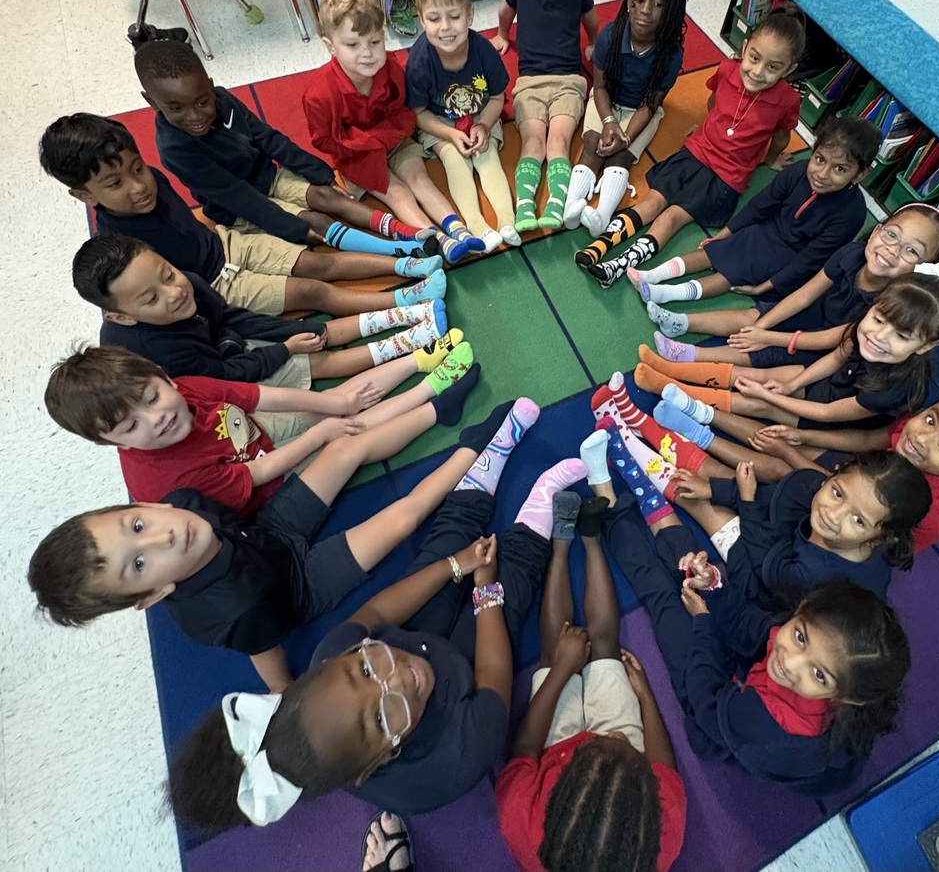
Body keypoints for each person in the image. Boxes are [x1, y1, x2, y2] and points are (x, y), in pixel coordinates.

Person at [166, 416, 590, 828]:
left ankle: (488, 460)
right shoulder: (455, 759)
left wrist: (452, 567)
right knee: (512, 588)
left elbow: (380, 612)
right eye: (382, 718)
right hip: (467, 672)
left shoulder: (330, 659)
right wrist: (485, 589)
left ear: (338, 659)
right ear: (376, 764)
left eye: (365, 669)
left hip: (413, 635)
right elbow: (494, 674)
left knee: (443, 544)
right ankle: (540, 502)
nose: (400, 678)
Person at [28, 402, 514, 693]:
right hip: (301, 585)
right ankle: (475, 446)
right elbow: (266, 655)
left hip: (269, 535)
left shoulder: (181, 507)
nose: (164, 535)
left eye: (137, 524)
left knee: (342, 450)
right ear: (151, 596)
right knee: (403, 517)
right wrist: (285, 690)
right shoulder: (234, 612)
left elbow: (248, 504)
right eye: (139, 563)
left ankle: (437, 408)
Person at [602, 488, 911, 791]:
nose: (790, 661)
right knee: (695, 572)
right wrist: (713, 586)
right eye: (800, 637)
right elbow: (749, 624)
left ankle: (610, 507)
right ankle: (645, 493)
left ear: (846, 697)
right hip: (757, 700)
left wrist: (702, 624)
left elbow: (704, 697)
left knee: (665, 604)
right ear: (801, 609)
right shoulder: (812, 649)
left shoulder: (766, 727)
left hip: (725, 722)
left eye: (819, 674)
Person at [39, 114, 443, 317]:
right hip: (212, 286)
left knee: (316, 263)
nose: (138, 186)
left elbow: (188, 222)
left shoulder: (152, 180)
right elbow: (163, 289)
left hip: (223, 244)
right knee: (311, 293)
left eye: (137, 168)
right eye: (114, 185)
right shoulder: (118, 247)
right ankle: (403, 301)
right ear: (82, 196)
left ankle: (407, 262)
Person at [495, 479, 686, 872]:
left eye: (599, 743)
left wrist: (562, 668)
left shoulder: (521, 822)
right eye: (619, 741)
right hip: (610, 769)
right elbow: (664, 767)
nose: (609, 733)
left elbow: (525, 748)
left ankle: (561, 546)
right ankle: (591, 537)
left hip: (552, 750)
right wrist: (646, 697)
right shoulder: (660, 835)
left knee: (556, 647)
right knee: (604, 647)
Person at [44, 344, 477, 516]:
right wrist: (324, 430)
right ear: (111, 442)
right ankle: (432, 394)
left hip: (251, 437)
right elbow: (255, 477)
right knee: (351, 436)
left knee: (339, 405)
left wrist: (333, 403)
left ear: (164, 377)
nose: (155, 418)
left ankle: (418, 359)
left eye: (152, 398)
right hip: (268, 494)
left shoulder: (186, 389)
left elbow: (260, 396)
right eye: (130, 425)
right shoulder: (165, 479)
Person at [577, 4, 805, 286]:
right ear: (744, 48)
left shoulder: (787, 100)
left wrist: (770, 159)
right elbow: (714, 103)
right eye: (754, 58)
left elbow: (781, 136)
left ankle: (618, 265)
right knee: (653, 200)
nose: (758, 72)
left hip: (724, 178)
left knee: (672, 217)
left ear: (789, 69)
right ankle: (598, 247)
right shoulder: (726, 70)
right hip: (696, 152)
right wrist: (709, 127)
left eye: (773, 67)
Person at [74, 234, 454, 384]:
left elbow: (229, 317)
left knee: (312, 332)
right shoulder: (159, 353)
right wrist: (284, 350)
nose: (173, 292)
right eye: (151, 299)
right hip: (214, 381)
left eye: (168, 274)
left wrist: (286, 333)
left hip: (219, 341)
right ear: (121, 316)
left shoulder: (185, 285)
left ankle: (406, 312)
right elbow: (226, 376)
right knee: (312, 363)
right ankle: (413, 341)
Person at [134, 40, 402, 250]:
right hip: (237, 206)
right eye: (177, 108)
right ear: (153, 103)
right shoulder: (174, 150)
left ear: (210, 87)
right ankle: (399, 252)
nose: (195, 116)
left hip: (267, 176)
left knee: (327, 195)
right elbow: (237, 196)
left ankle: (403, 233)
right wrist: (290, 228)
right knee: (315, 222)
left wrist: (320, 173)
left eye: (203, 102)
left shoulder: (223, 99)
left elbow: (267, 138)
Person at [302, 0, 485, 264]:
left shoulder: (389, 68)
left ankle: (457, 229)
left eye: (375, 42)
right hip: (358, 156)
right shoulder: (319, 94)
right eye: (353, 45)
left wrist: (391, 132)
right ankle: (438, 240)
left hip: (393, 138)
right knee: (397, 193)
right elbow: (323, 140)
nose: (367, 53)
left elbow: (402, 107)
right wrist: (362, 141)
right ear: (331, 47)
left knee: (419, 179)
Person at [639, 274, 939, 432]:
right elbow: (836, 357)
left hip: (828, 419)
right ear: (873, 307)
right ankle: (673, 368)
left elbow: (826, 415)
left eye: (902, 336)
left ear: (927, 346)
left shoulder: (895, 386)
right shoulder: (864, 330)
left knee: (756, 398)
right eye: (878, 319)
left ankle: (680, 394)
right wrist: (793, 385)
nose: (879, 336)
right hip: (828, 387)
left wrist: (776, 398)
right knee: (761, 376)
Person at [647, 203, 939, 365]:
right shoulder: (852, 254)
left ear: (923, 268)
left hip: (826, 344)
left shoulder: (890, 301)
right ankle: (683, 322)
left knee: (760, 354)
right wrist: (764, 326)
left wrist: (771, 339)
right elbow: (807, 294)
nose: (892, 249)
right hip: (814, 314)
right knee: (753, 316)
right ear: (877, 230)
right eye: (892, 235)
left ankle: (688, 354)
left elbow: (834, 339)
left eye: (912, 251)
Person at [628, 117, 882, 309]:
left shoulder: (852, 213)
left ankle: (666, 294)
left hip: (787, 257)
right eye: (820, 160)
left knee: (729, 274)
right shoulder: (797, 172)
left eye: (839, 169)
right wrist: (725, 234)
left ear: (860, 174)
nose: (822, 174)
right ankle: (652, 275)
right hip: (765, 231)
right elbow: (762, 204)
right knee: (712, 251)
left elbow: (811, 259)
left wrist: (766, 287)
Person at [745, 390, 939, 551]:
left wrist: (788, 452)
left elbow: (849, 504)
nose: (922, 437)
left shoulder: (929, 503)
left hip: (857, 534)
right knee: (783, 440)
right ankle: (704, 414)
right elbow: (866, 440)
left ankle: (702, 445)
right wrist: (803, 436)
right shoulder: (916, 431)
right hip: (860, 482)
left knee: (781, 469)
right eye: (930, 419)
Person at [669, 452, 930, 604]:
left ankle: (653, 476)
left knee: (706, 508)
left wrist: (746, 502)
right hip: (785, 553)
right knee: (733, 486)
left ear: (878, 538)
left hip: (771, 590)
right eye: (838, 493)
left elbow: (764, 568)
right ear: (834, 474)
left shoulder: (814, 573)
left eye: (858, 520)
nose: (833, 514)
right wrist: (716, 488)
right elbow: (777, 498)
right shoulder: (832, 503)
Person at [562, 0, 689, 236]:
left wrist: (625, 136)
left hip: (641, 112)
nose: (646, 10)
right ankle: (572, 204)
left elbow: (650, 104)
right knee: (593, 145)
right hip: (606, 101)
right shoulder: (610, 35)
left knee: (621, 156)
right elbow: (601, 87)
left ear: (671, 8)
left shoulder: (671, 53)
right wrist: (608, 122)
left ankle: (601, 215)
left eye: (659, 4)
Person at [491, 0, 600, 233]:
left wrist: (593, 42)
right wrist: (501, 34)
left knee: (558, 143)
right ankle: (525, 206)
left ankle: (556, 203)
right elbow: (505, 10)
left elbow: (591, 18)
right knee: (533, 143)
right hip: (529, 82)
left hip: (569, 80)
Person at [406, 0, 519, 252]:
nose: (445, 28)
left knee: (487, 153)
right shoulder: (419, 62)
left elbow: (497, 97)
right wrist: (450, 136)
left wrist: (484, 124)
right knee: (455, 160)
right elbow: (418, 114)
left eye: (454, 17)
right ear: (421, 19)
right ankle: (476, 225)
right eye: (434, 19)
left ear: (469, 15)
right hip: (440, 124)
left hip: (480, 114)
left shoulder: (483, 51)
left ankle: (508, 220)